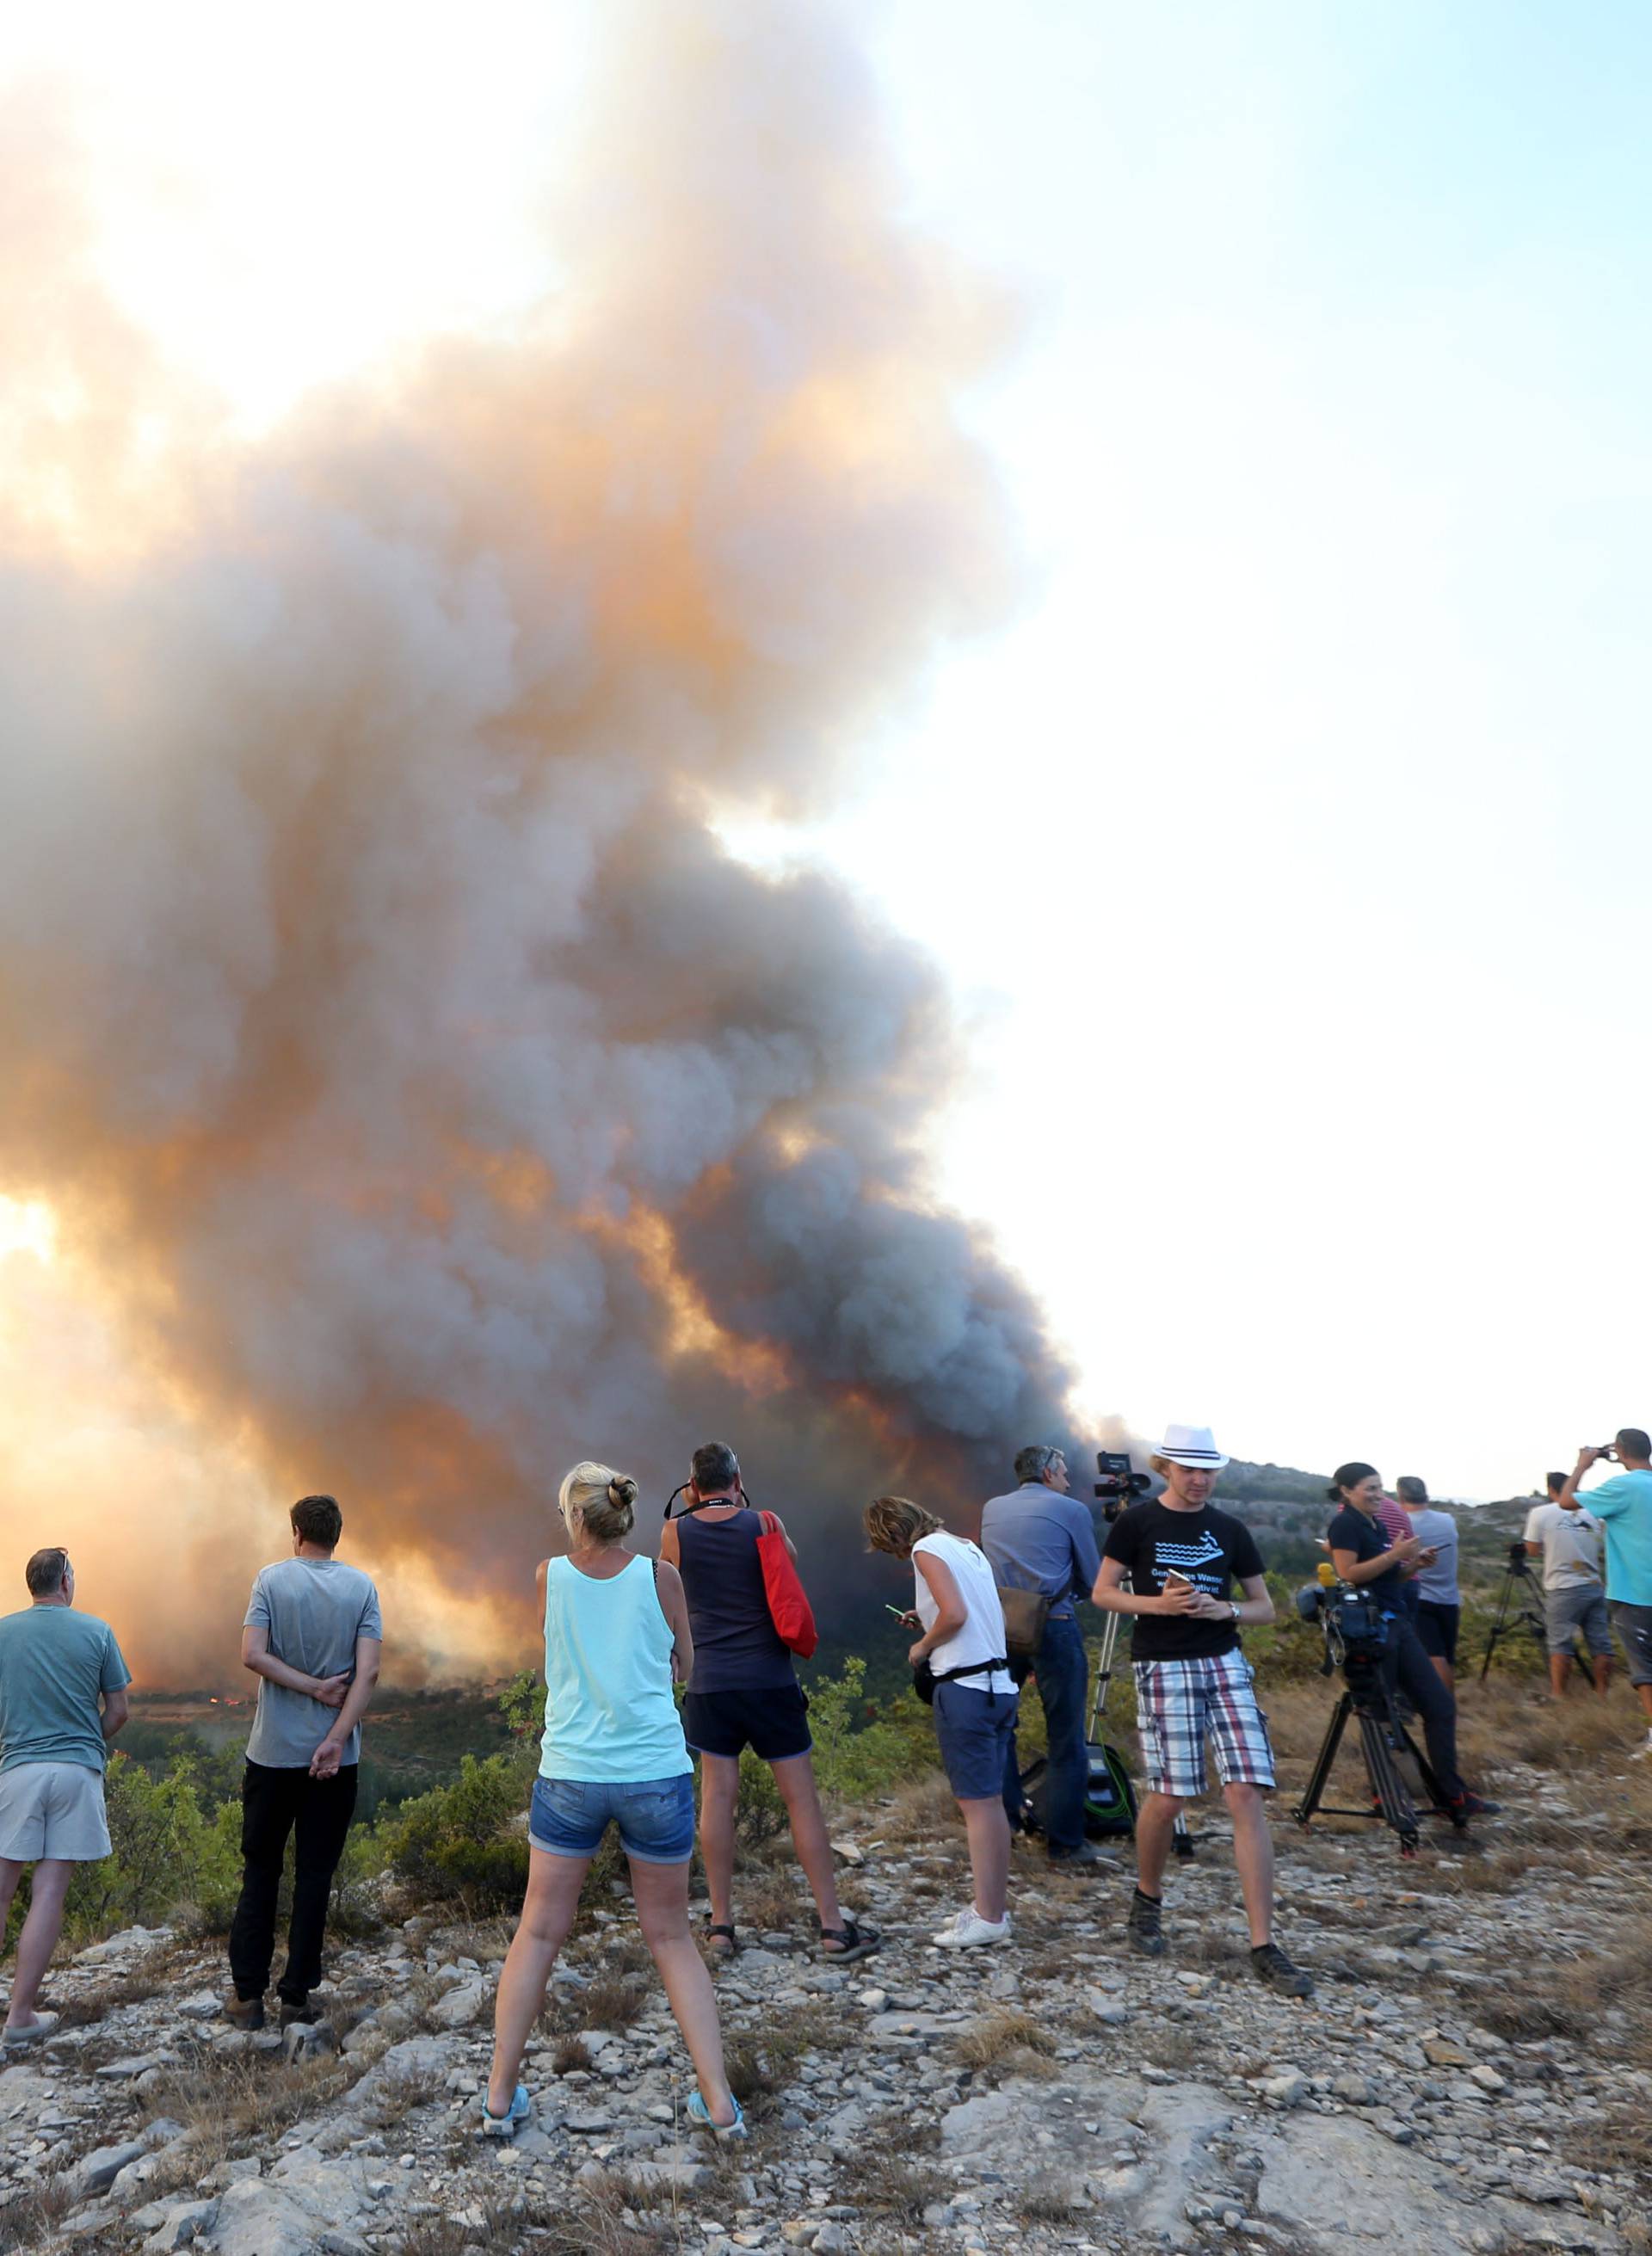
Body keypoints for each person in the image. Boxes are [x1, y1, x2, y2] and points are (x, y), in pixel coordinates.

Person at [484, 1461, 743, 2140]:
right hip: (655, 1774)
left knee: (538, 1931)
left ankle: (499, 2098)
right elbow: (684, 1663)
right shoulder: (663, 1577)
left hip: (570, 1775)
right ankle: (718, 2102)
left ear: (575, 1516)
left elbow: (553, 1655)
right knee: (672, 1937)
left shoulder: (550, 1576)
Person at [1093, 1425, 1310, 1994]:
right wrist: (1157, 1605)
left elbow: (1265, 1608)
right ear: (1167, 1467)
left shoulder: (1231, 1529)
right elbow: (1102, 1593)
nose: (1199, 1479)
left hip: (1225, 1663)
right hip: (1161, 1666)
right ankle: (1148, 1897)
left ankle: (1264, 1945)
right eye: (1189, 1469)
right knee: (1170, 1795)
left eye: (1208, 1469)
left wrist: (1226, 1611)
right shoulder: (1137, 1522)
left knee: (1245, 1791)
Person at [660, 1442, 878, 1962]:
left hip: (710, 1685)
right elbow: (790, 1567)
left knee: (717, 1800)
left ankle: (720, 1928)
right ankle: (831, 1927)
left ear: (691, 1487)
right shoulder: (765, 1523)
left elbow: (665, 1591)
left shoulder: (674, 1532)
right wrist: (751, 1513)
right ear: (738, 1480)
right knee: (801, 1801)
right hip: (770, 1682)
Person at [225, 1495, 383, 2031]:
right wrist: (337, 1736)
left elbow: (253, 1654)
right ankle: (296, 1997)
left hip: (271, 1756)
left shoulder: (271, 1580)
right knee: (315, 1875)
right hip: (335, 1762)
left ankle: (247, 1999)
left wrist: (308, 1687)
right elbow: (368, 1675)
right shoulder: (362, 1586)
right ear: (337, 1533)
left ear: (297, 1532)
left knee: (261, 1870)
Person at [864, 1495, 1018, 1949]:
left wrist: (923, 1646)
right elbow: (970, 1609)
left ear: (894, 1533)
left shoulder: (924, 1550)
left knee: (979, 1805)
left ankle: (990, 1917)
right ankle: (987, 1906)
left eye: (888, 1545)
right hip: (999, 1686)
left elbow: (956, 1614)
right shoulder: (965, 1546)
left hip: (965, 1690)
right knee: (989, 1803)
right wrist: (927, 1617)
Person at [0, 1549, 131, 2047]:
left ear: (31, 1585)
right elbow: (118, 1711)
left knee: (2, 1891)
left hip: (18, 1772)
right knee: (48, 1893)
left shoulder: (4, 1631)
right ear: (67, 1582)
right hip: (76, 1772)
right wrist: (86, 1740)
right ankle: (19, 2018)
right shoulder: (96, 1631)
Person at [1325, 1464, 1495, 1820]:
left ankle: (1452, 1793)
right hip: (1372, 1632)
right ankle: (1383, 1794)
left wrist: (1415, 1564)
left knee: (1439, 1707)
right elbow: (1348, 1574)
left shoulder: (1378, 1522)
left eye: (1380, 1488)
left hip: (1397, 1622)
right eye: (1368, 1488)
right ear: (1346, 1490)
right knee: (1379, 1715)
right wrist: (1394, 1555)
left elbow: (1392, 1575)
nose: (1377, 1494)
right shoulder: (1345, 1524)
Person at [980, 1443, 1105, 1866]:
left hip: (1004, 1629)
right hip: (1055, 1628)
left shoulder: (992, 1508)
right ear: (1050, 1472)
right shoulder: (1071, 1510)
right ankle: (1066, 1843)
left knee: (1000, 1728)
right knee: (1066, 1738)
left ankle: (1009, 1825)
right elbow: (1093, 1577)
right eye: (1065, 1471)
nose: (1069, 1479)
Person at [1556, 1430, 1652, 1754]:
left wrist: (1582, 1465)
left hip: (1637, 1591)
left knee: (1645, 1670)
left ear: (1620, 1450)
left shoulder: (1624, 1486)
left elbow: (1566, 1502)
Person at [1523, 1473, 1612, 1699]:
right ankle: (1602, 1693)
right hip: (1594, 1585)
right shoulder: (1594, 1515)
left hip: (1562, 1587)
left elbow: (1532, 1551)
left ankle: (1559, 1695)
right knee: (1600, 1643)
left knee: (1560, 1643)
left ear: (1551, 1490)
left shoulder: (1540, 1513)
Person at [1396, 1477, 1462, 1688]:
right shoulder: (1447, 1519)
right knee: (1446, 1657)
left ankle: (1445, 1707)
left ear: (1400, 1496)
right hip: (1450, 1598)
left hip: (1422, 1598)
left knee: (1433, 1657)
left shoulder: (1404, 1524)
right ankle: (1447, 1705)